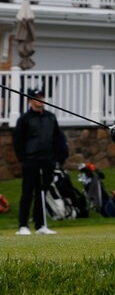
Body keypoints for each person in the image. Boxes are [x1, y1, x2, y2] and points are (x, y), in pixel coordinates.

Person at [13, 87, 67, 235]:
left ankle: (41, 225)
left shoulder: (50, 117)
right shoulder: (25, 119)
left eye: (41, 97)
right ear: (30, 101)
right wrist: (23, 159)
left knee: (42, 193)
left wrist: (58, 157)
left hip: (47, 160)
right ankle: (23, 226)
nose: (40, 100)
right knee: (27, 193)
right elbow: (18, 141)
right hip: (31, 160)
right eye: (37, 98)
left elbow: (57, 138)